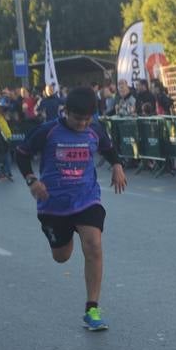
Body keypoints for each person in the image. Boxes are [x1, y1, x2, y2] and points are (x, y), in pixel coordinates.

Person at [15, 87, 126, 331]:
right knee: (61, 256)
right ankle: (65, 236)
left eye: (87, 119)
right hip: (53, 205)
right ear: (66, 112)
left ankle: (92, 309)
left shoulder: (94, 130)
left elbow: (108, 148)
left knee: (94, 245)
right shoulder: (48, 131)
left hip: (86, 199)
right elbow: (21, 154)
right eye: (77, 119)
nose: (82, 124)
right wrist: (32, 180)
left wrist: (117, 164)